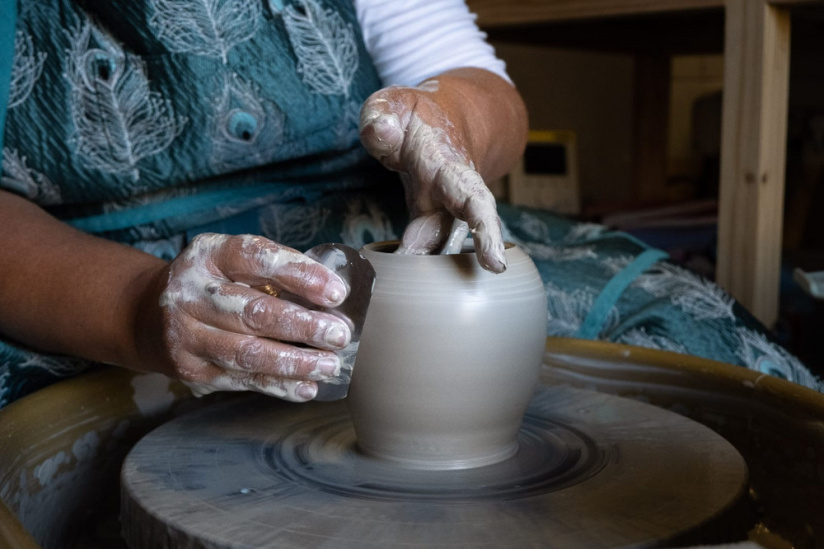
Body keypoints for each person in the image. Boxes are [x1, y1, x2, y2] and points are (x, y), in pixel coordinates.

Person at [1, 0, 820, 410]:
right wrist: (141, 308)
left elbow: (483, 88)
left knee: (710, 350)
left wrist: (442, 123)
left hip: (389, 232)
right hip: (97, 279)